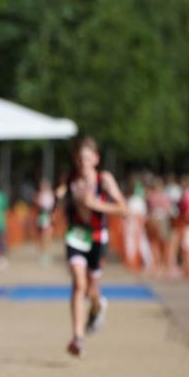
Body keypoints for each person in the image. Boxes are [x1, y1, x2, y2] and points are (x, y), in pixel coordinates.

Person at [56, 136, 128, 357]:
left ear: (95, 159)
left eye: (87, 158)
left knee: (91, 288)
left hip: (97, 237)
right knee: (78, 283)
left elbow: (123, 209)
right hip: (76, 236)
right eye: (79, 158)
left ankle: (98, 304)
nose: (82, 162)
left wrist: (96, 204)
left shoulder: (104, 179)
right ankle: (77, 338)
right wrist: (55, 207)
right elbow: (58, 200)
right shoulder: (69, 178)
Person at [34, 178, 56, 265]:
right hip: (43, 216)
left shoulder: (50, 194)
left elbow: (52, 207)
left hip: (48, 216)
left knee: (48, 236)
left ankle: (47, 254)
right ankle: (43, 254)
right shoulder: (40, 195)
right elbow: (38, 205)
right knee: (42, 236)